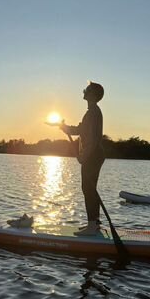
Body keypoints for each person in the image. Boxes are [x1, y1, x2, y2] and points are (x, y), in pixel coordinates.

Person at [60, 82, 105, 235]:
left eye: (86, 89)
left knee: (88, 189)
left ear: (92, 94)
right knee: (90, 189)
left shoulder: (93, 112)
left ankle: (93, 226)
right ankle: (94, 224)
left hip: (92, 155)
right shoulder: (92, 112)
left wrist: (84, 157)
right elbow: (81, 130)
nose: (83, 91)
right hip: (94, 154)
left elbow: (92, 139)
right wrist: (65, 128)